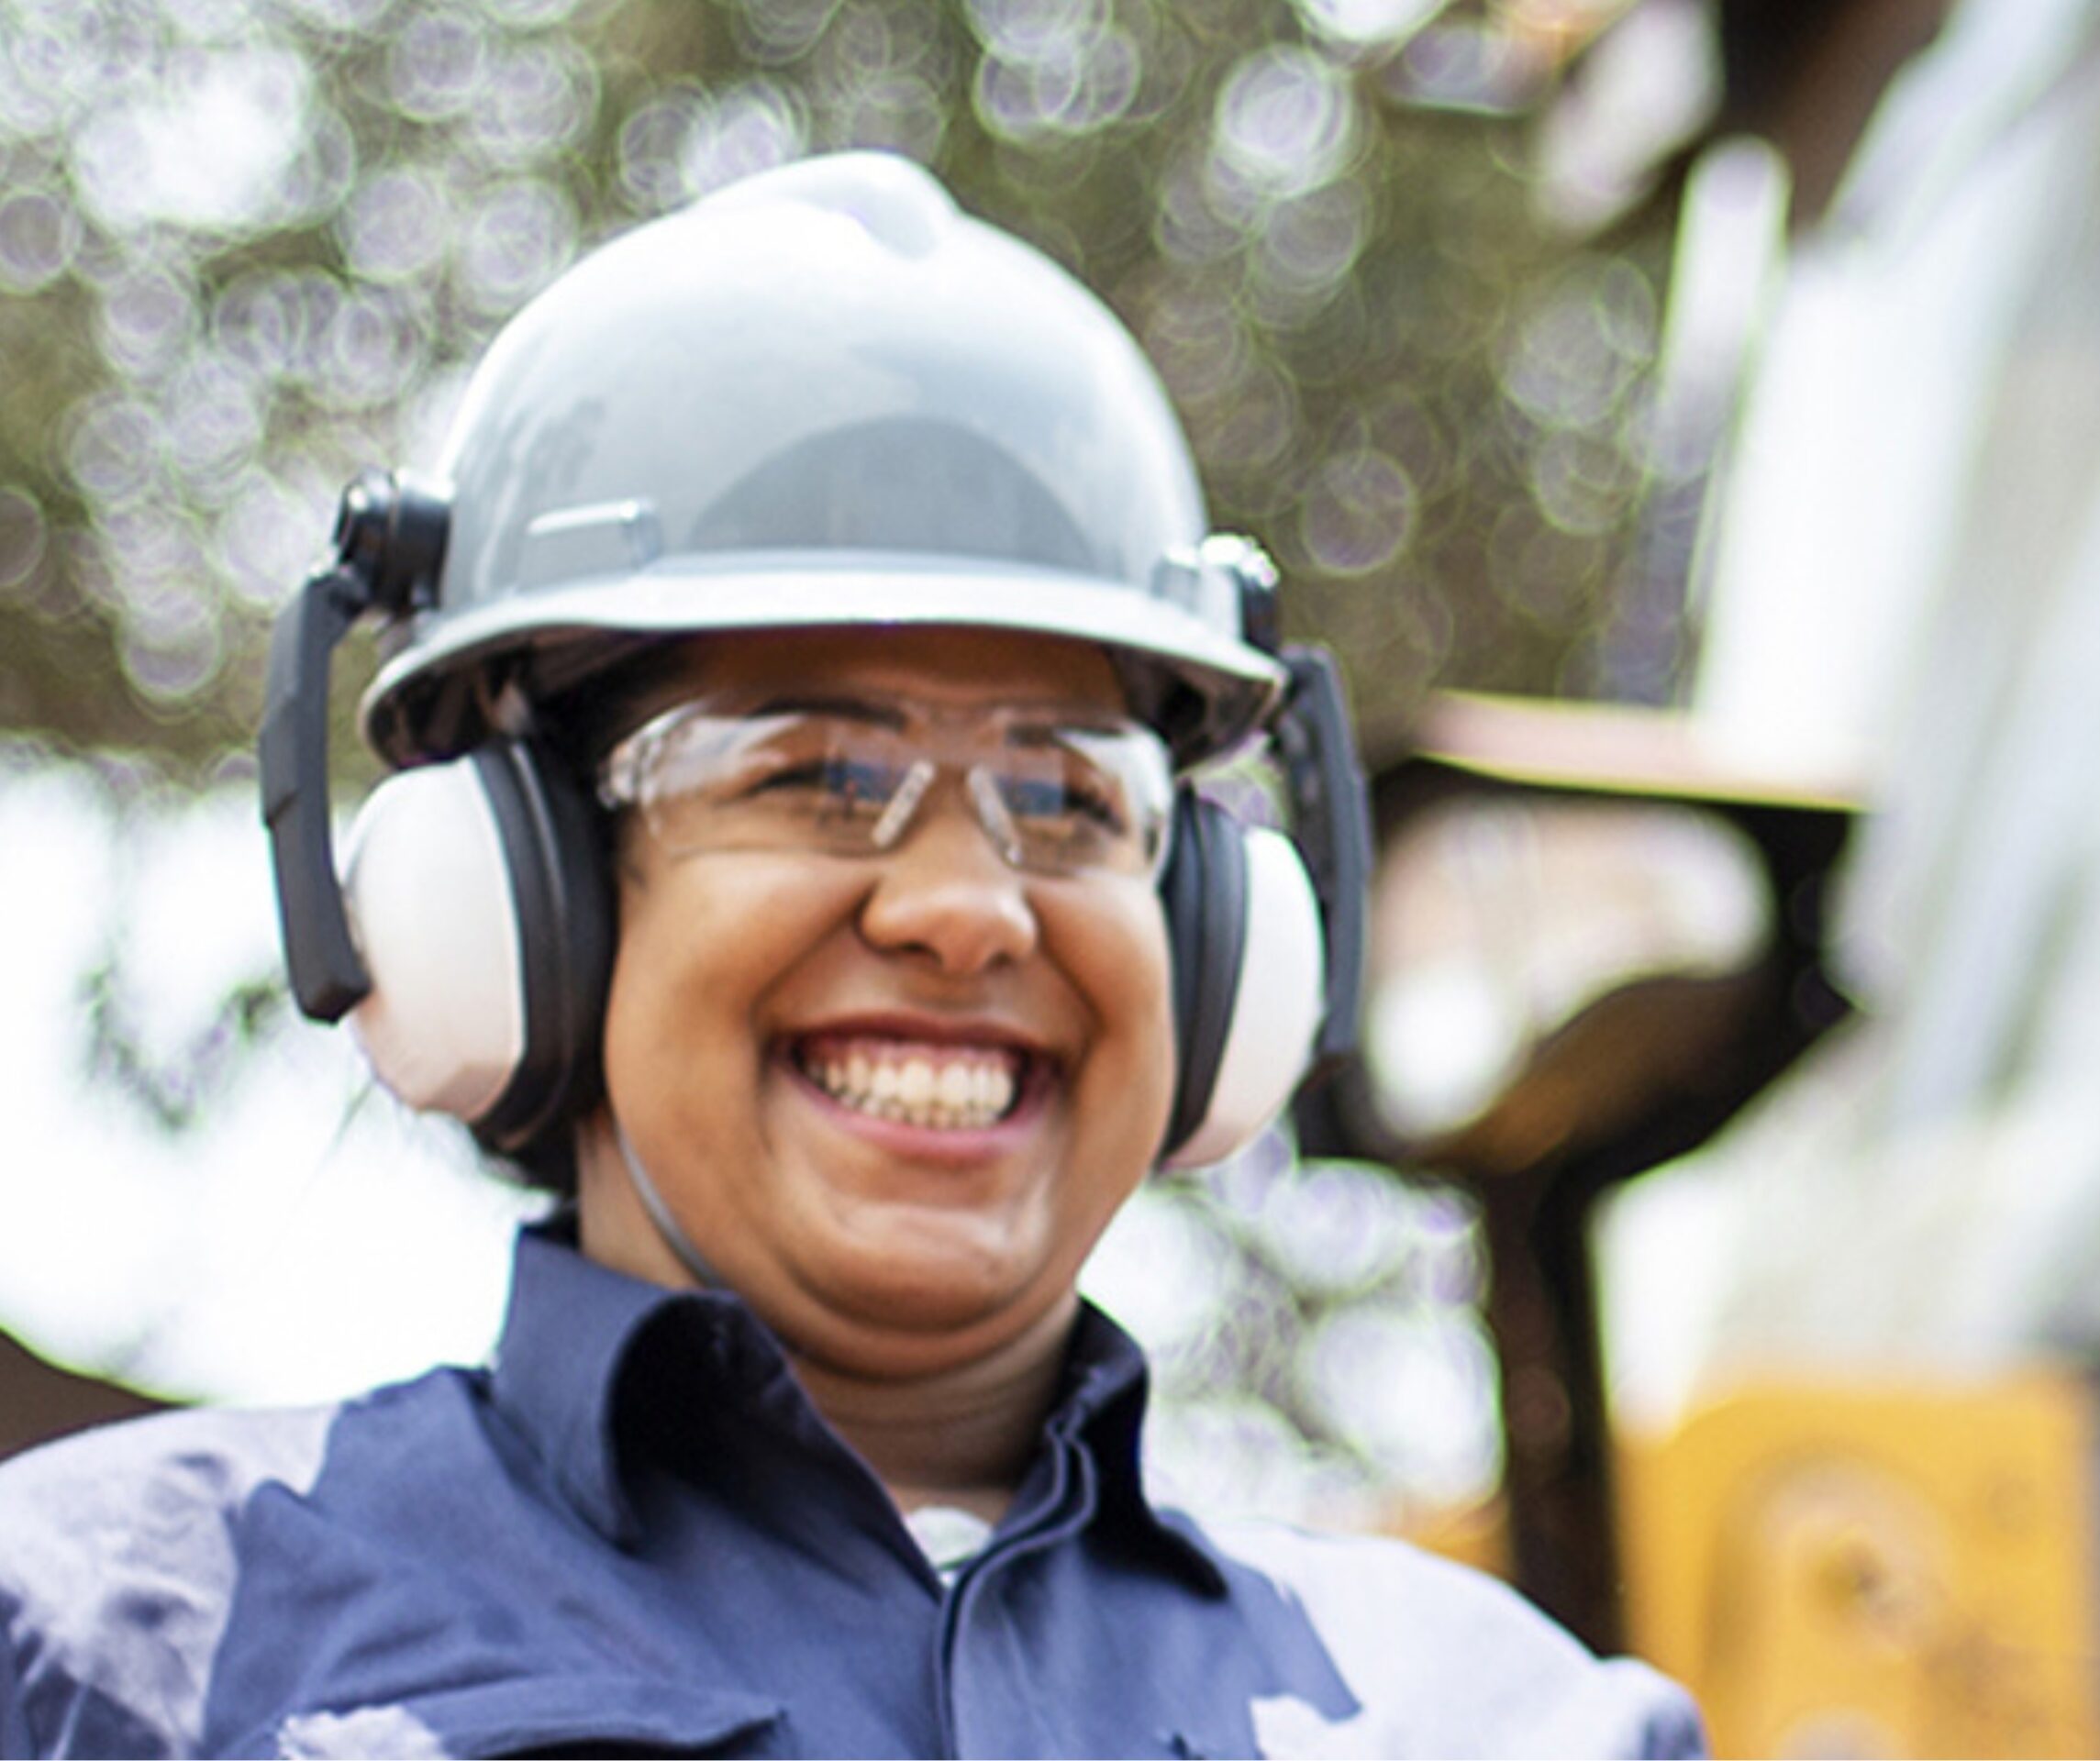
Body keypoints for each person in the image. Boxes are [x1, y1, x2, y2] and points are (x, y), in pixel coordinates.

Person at [0, 153, 1704, 1759]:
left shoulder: (1502, 1726)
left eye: (1066, 796)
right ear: (526, 898)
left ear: (1215, 936)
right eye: (816, 775)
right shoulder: (103, 1653)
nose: (968, 908)